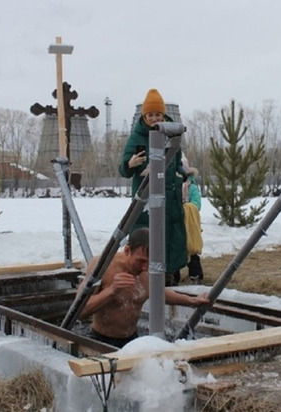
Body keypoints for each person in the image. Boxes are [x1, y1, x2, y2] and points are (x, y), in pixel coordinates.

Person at [78, 227, 209, 348]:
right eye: (141, 261)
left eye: (149, 262)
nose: (145, 267)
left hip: (131, 341)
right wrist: (111, 291)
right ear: (127, 251)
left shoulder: (148, 271)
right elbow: (80, 311)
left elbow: (160, 293)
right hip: (100, 340)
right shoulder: (103, 266)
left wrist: (191, 301)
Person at [119, 88, 188, 286]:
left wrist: (183, 175)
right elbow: (124, 168)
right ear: (145, 116)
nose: (154, 118)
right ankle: (147, 274)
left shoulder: (170, 133)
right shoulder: (137, 137)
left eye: (158, 114)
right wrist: (129, 164)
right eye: (150, 115)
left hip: (170, 194)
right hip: (147, 194)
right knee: (148, 235)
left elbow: (176, 160)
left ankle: (169, 273)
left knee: (172, 235)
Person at [182, 160, 204, 284]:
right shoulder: (171, 186)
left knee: (192, 251)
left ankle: (196, 275)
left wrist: (185, 207)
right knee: (175, 250)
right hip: (175, 223)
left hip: (189, 224)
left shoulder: (192, 188)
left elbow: (197, 204)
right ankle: (172, 276)